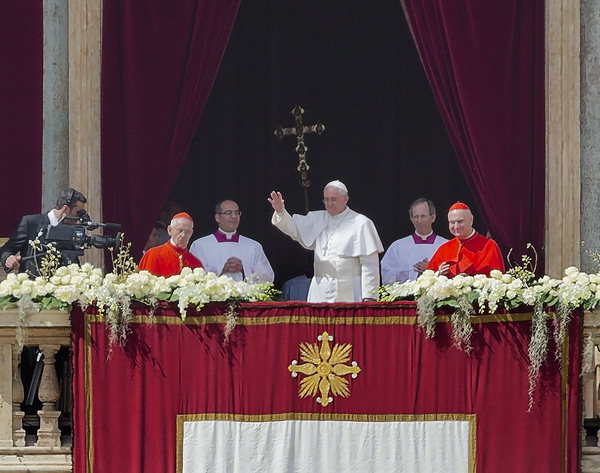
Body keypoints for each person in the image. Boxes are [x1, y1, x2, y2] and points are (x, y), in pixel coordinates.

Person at [268, 180, 383, 302]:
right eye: (326, 199)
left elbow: (370, 264)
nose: (329, 203)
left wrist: (370, 297)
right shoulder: (317, 218)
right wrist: (280, 211)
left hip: (350, 289)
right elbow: (294, 229)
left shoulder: (361, 223)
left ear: (345, 199)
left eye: (333, 199)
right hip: (320, 289)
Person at [0, 188, 88, 277]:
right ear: (66, 209)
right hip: (33, 285)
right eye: (78, 213)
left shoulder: (73, 231)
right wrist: (8, 259)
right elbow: (6, 249)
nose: (78, 218)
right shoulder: (31, 223)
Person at [189, 200, 274, 282]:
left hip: (245, 296)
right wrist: (221, 269)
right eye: (228, 213)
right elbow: (193, 276)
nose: (234, 216)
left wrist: (244, 269)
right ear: (218, 217)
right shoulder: (200, 245)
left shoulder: (253, 246)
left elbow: (268, 277)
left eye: (237, 213)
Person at [427, 202, 505, 277]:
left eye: (460, 221)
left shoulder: (489, 246)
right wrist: (438, 274)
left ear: (471, 220)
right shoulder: (444, 249)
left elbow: (497, 279)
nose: (456, 226)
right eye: (452, 222)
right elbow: (428, 279)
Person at [380, 198, 448, 284]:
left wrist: (431, 268)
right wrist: (414, 273)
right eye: (416, 217)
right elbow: (386, 274)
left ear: (433, 217)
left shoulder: (446, 245)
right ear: (411, 219)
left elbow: (453, 274)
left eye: (423, 216)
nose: (419, 220)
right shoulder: (398, 246)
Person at [138, 212, 203, 277]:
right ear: (170, 230)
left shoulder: (195, 263)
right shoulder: (153, 255)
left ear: (191, 233)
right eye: (180, 231)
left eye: (187, 232)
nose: (183, 235)